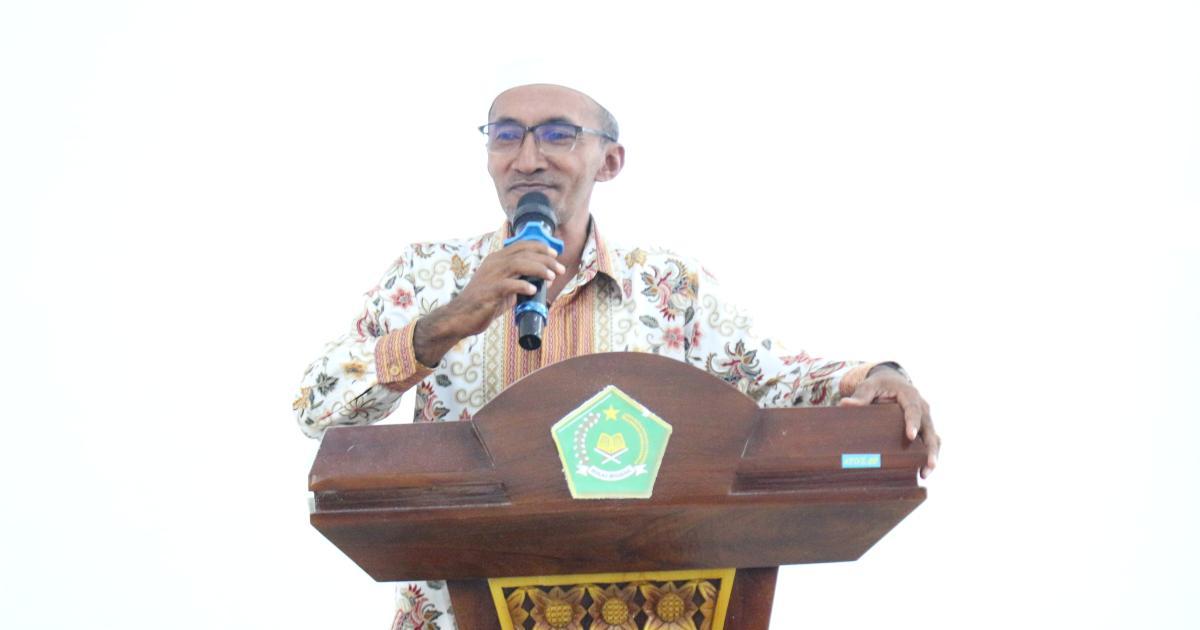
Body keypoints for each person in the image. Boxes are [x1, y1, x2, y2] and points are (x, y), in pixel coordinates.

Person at [294, 83, 941, 630]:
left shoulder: (669, 286)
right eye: (506, 136)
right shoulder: (428, 276)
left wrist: (878, 377)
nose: (527, 158)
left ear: (610, 161)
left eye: (556, 135)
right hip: (461, 611)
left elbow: (777, 380)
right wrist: (442, 326)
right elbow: (316, 408)